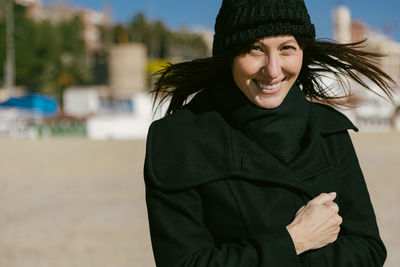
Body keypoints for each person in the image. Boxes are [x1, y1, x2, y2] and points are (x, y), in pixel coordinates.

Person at [144, 0, 393, 266]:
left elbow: (369, 250)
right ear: (229, 55)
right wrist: (295, 240)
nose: (272, 70)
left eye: (286, 48)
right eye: (254, 49)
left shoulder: (328, 130)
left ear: (302, 51)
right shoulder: (177, 140)